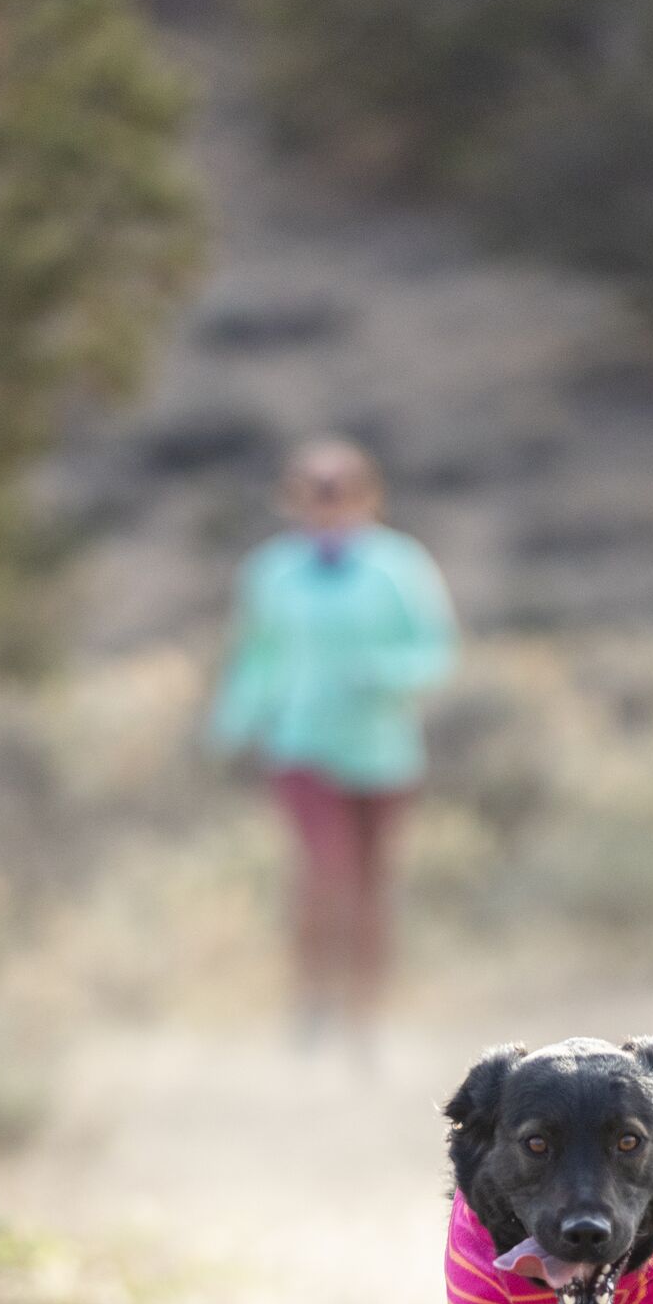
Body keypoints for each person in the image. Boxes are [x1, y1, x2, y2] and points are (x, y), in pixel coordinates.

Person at [208, 437, 458, 1039]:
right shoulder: (273, 571)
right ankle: (311, 1002)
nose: (327, 502)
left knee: (373, 885)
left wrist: (385, 674)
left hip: (382, 748)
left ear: (368, 495)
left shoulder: (400, 565)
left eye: (339, 489)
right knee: (326, 873)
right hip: (303, 745)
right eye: (313, 491)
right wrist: (229, 726)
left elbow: (435, 648)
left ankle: (365, 1015)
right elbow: (257, 657)